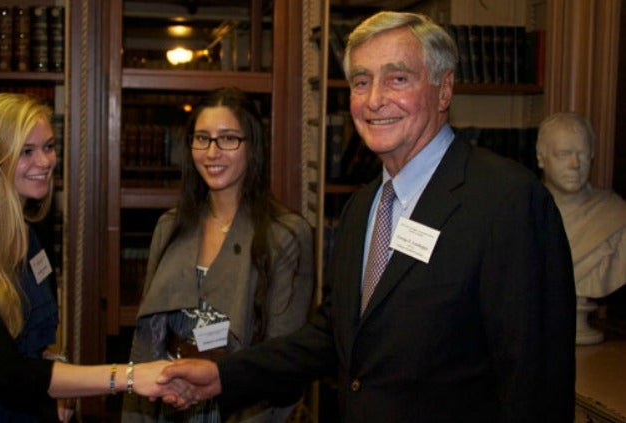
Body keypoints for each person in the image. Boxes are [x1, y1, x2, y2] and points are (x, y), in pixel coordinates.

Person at [158, 11, 577, 422]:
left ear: (444, 89)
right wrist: (222, 375)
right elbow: (333, 336)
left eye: (397, 78)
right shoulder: (363, 207)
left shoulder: (508, 202)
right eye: (361, 81)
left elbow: (534, 386)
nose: (375, 99)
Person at [0, 93, 192, 423]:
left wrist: (57, 377)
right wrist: (131, 376)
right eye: (26, 151)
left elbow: (31, 345)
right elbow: (7, 373)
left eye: (48, 147)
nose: (46, 161)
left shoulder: (32, 235)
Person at [121, 87, 315, 422]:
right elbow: (147, 341)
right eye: (202, 138)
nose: (212, 152)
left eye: (227, 139)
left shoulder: (285, 236)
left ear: (252, 147)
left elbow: (284, 360)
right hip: (168, 404)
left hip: (244, 408)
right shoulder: (169, 228)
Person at [536, 111, 626, 299]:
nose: (575, 164)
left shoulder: (617, 215)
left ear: (592, 155)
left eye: (582, 154)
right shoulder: (523, 213)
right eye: (563, 154)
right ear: (541, 158)